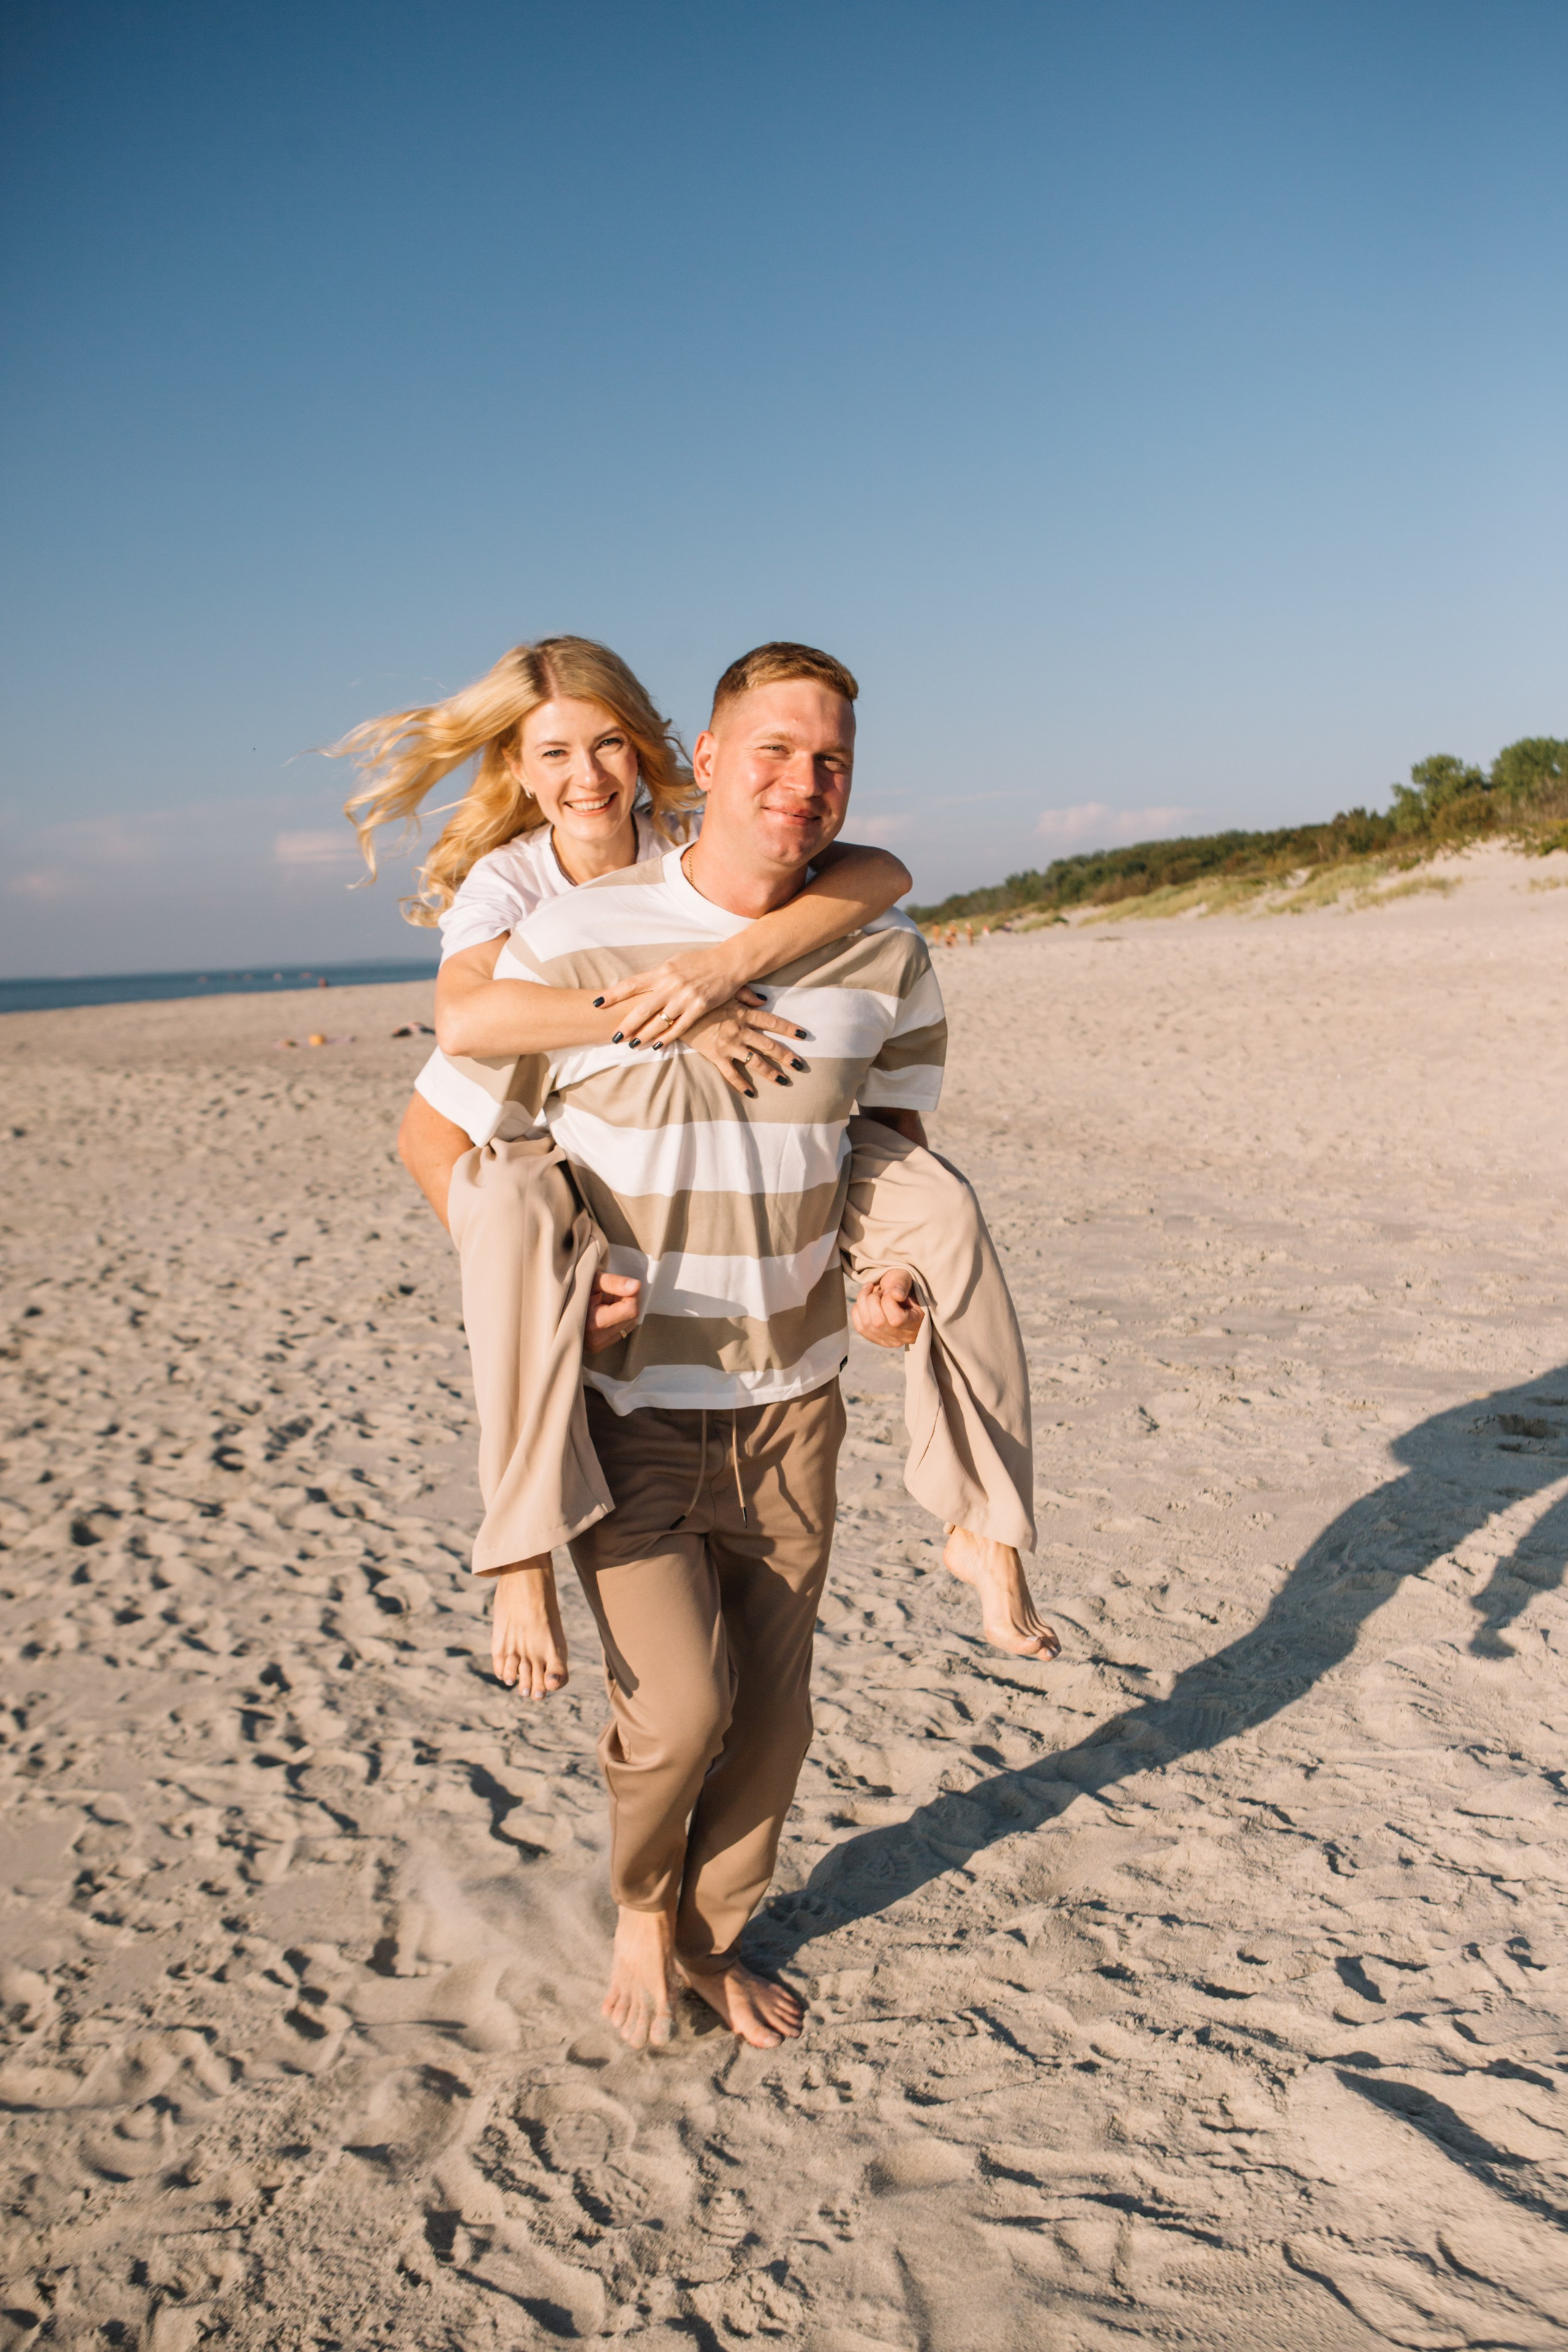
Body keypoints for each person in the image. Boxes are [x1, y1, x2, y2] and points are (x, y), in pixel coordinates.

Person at [465, 641, 1056, 2051]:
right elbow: (494, 1162)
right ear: (711, 763)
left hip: (796, 1404)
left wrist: (882, 1290)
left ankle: (714, 1943)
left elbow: (884, 1150)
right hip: (633, 1406)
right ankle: (637, 1908)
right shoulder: (566, 939)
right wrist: (566, 1288)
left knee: (775, 1729)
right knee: (679, 1710)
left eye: (830, 760)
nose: (802, 782)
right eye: (773, 753)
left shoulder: (884, 951)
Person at [338, 637, 1051, 1689]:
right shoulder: (512, 884)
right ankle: (519, 1555)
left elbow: (879, 877)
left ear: (658, 751)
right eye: (554, 756)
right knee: (505, 1216)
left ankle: (988, 1525)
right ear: (518, 771)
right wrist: (667, 1017)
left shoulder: (690, 833)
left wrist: (722, 967)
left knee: (938, 1203)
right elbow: (464, 1026)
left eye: (610, 745)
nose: (586, 778)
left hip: (727, 1196)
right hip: (551, 1140)